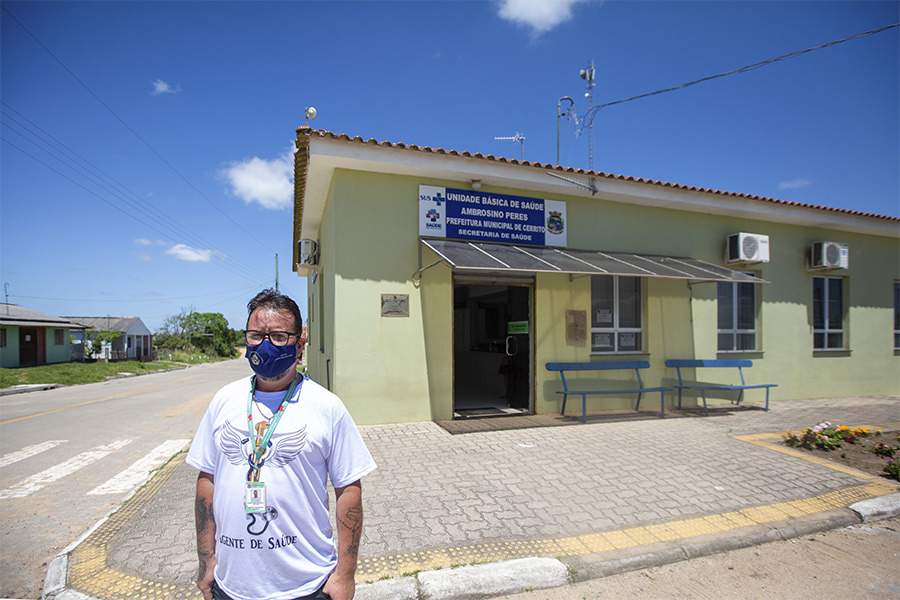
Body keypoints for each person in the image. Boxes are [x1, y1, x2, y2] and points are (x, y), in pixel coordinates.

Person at [187, 289, 376, 600]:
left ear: (299, 343)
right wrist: (206, 562)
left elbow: (349, 491)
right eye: (255, 335)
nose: (264, 344)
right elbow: (206, 482)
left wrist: (345, 574)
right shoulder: (224, 400)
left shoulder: (327, 406)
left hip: (307, 586)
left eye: (278, 336)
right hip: (231, 587)